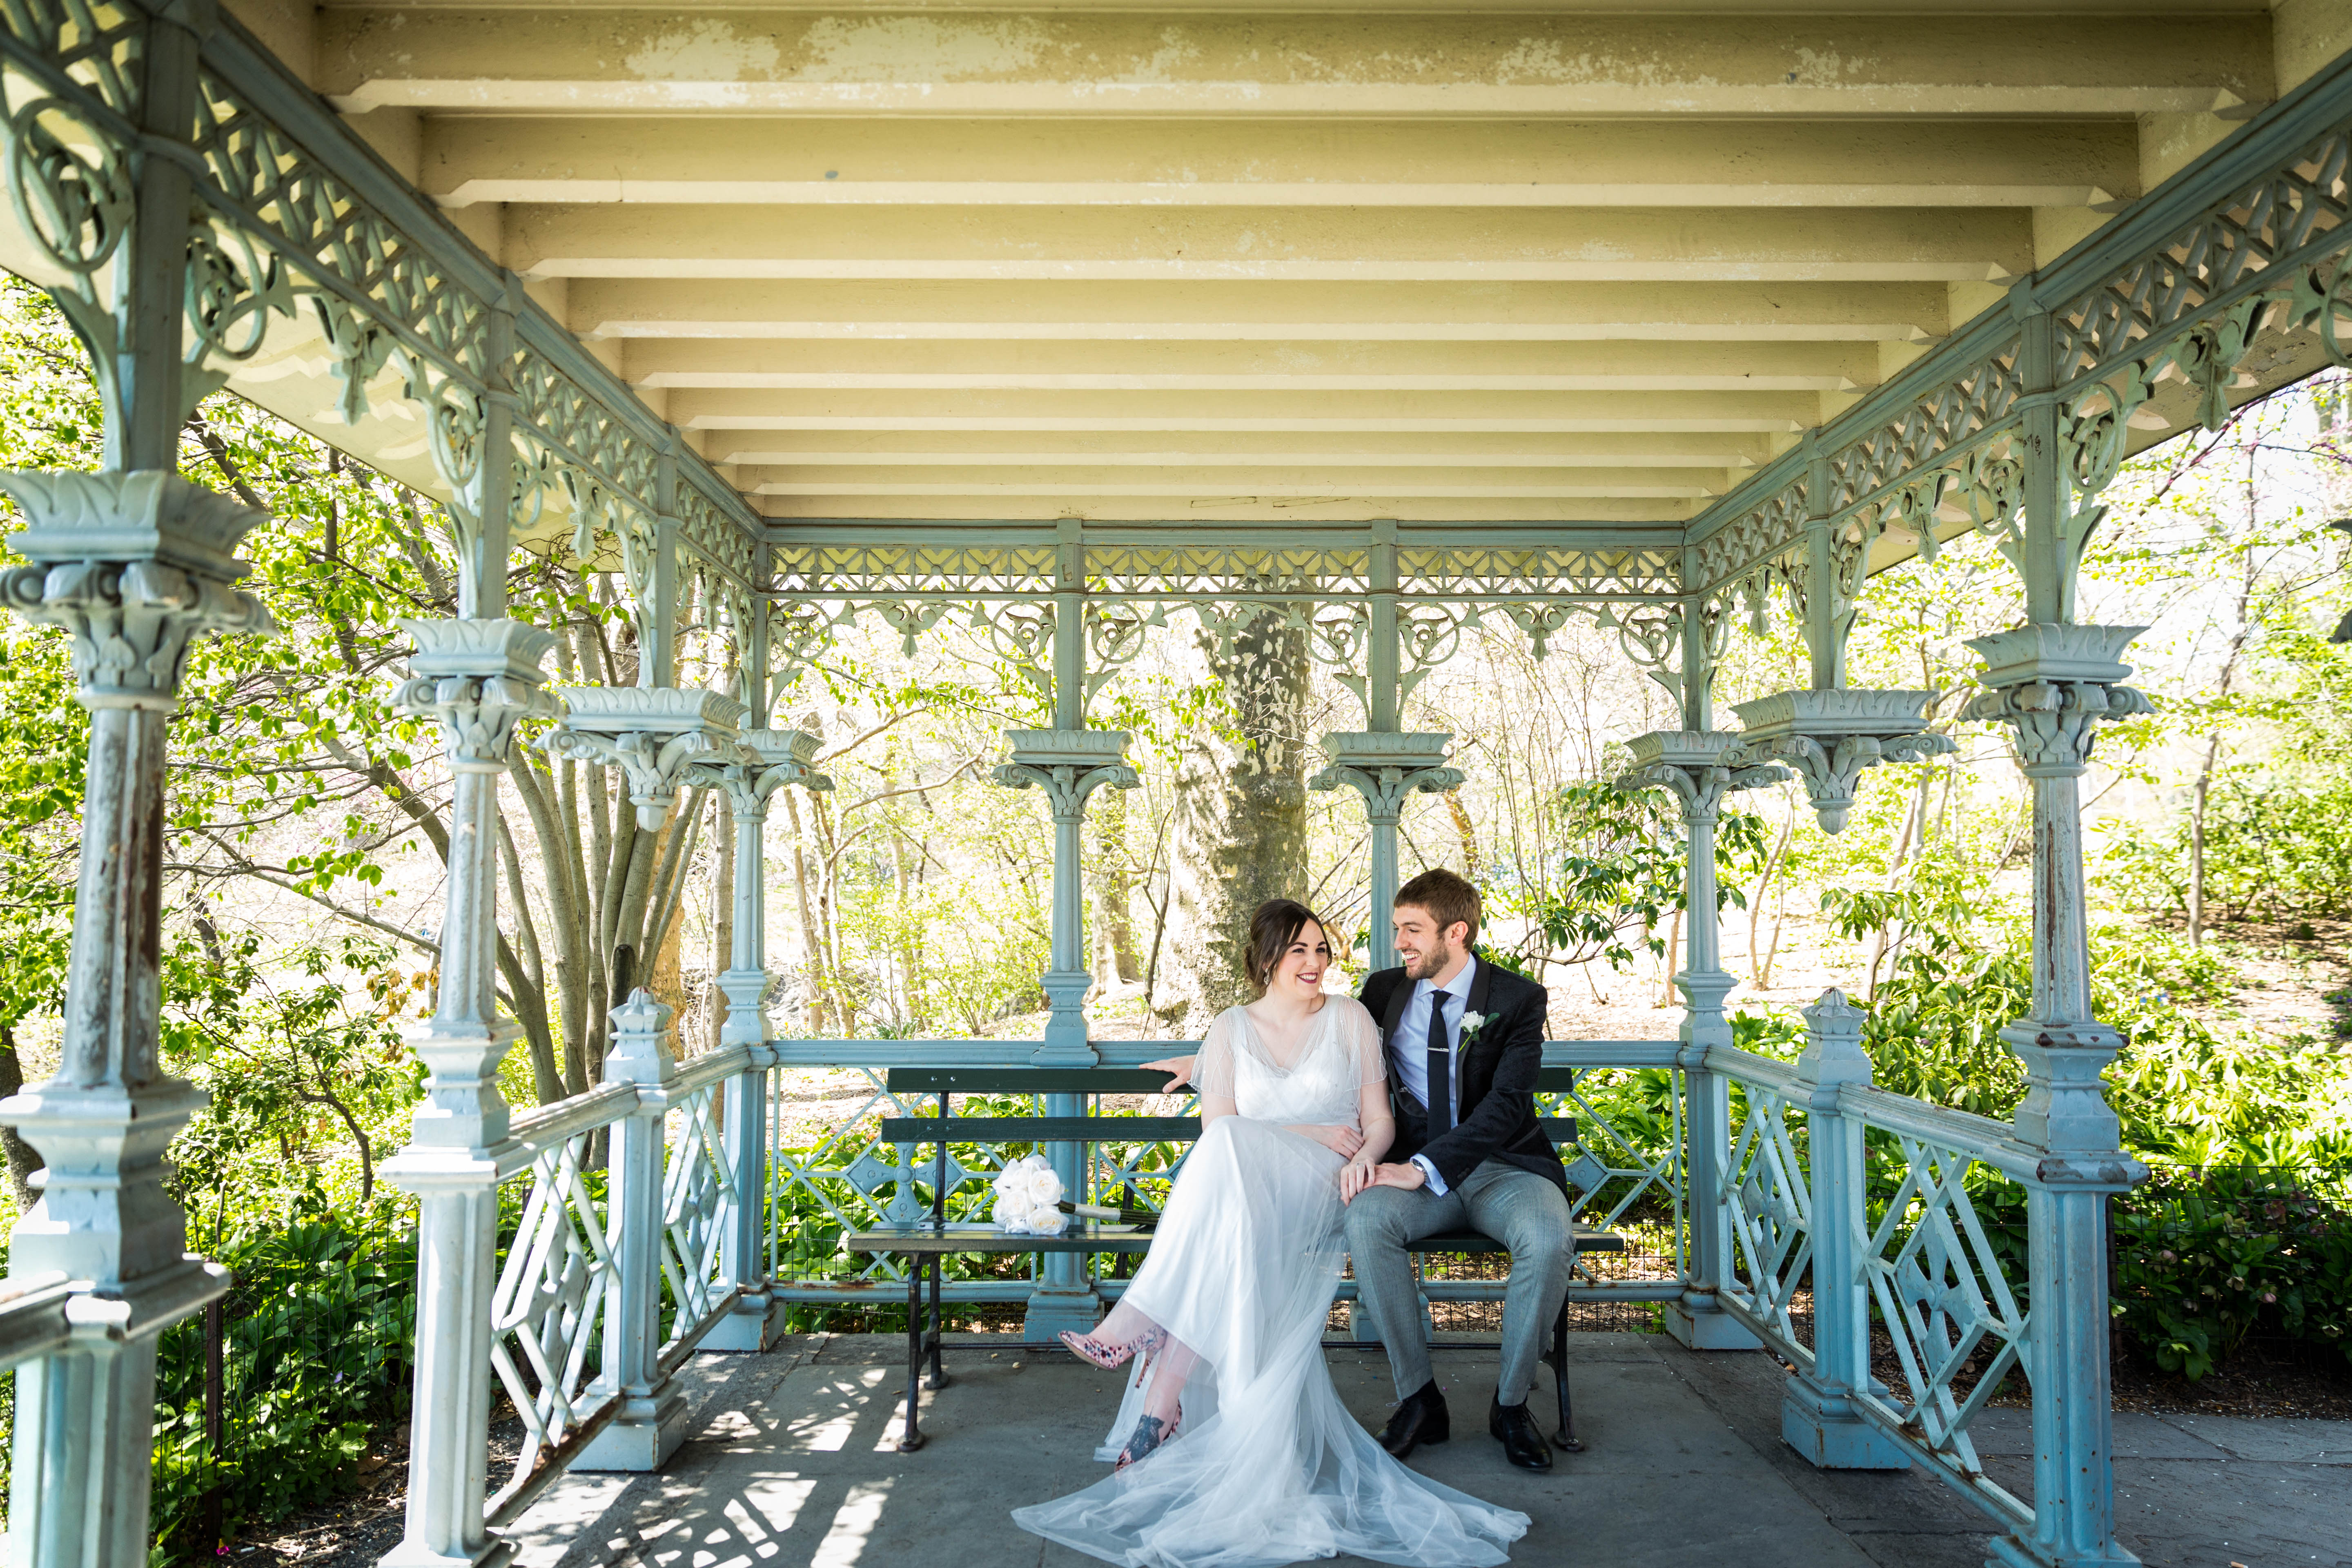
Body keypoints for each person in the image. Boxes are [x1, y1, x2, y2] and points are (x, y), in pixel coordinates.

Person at [1011, 899, 1528, 1568]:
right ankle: (1162, 1398)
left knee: (1227, 1177)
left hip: (1327, 1181)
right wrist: (1305, 1126)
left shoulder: (1350, 1018)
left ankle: (1143, 1335)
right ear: (1265, 961)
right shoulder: (1229, 1029)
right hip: (1249, 1187)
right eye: (1298, 952)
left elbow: (1378, 1121)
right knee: (1229, 1196)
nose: (1314, 964)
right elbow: (1220, 1132)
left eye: (1320, 950)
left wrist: (1366, 1158)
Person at [1140, 869, 1574, 1474]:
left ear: (1458, 932)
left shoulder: (1517, 999)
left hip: (1504, 1169)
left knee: (1550, 1238)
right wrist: (1215, 1056)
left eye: (1412, 931)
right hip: (1410, 1176)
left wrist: (1424, 1167)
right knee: (1368, 1222)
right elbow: (1301, 1022)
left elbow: (1507, 1105)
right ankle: (1419, 1400)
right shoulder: (1386, 991)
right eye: (1398, 929)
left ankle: (1511, 1404)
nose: (1399, 943)